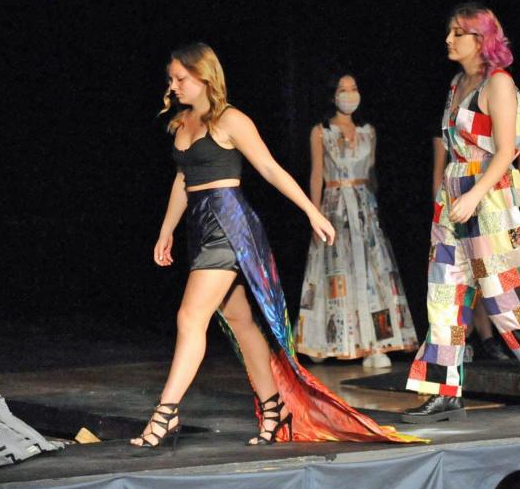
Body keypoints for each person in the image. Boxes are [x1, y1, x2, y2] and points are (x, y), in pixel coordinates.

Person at [133, 42, 422, 447]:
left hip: (228, 224)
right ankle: (274, 408)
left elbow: (270, 168)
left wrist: (311, 211)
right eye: (171, 79)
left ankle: (166, 413)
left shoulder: (231, 120)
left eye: (181, 78)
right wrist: (166, 231)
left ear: (203, 76)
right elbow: (184, 181)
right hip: (200, 225)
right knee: (240, 322)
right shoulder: (182, 124)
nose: (174, 85)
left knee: (190, 316)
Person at [402, 3, 520, 422]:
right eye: (450, 32)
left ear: (481, 39)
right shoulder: (458, 83)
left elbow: (506, 150)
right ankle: (444, 388)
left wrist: (475, 194)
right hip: (454, 196)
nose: (449, 40)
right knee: (445, 294)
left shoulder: (499, 84)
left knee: (510, 298)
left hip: (488, 198)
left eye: (459, 33)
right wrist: (451, 196)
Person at [296, 73, 418, 369]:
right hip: (335, 206)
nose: (349, 94)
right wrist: (314, 214)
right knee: (337, 271)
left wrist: (376, 211)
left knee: (372, 271)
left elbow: (373, 172)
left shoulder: (368, 130)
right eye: (342, 89)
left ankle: (376, 343)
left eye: (353, 88)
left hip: (365, 206)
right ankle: (327, 341)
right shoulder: (321, 131)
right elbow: (316, 174)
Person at [431, 134, 512, 362]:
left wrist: (475, 195)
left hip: (490, 203)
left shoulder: (493, 103)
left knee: (499, 282)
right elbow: (439, 173)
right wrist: (441, 213)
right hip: (454, 206)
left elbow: (506, 151)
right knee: (448, 289)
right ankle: (448, 370)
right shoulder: (448, 123)